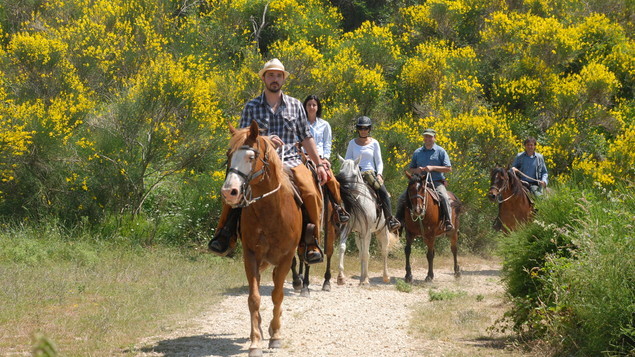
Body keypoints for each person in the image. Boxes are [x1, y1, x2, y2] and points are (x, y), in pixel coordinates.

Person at [209, 58, 328, 264]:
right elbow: (243, 136)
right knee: (233, 189)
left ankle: (311, 242)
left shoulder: (296, 105)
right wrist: (265, 140)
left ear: (283, 79)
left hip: (290, 160)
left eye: (279, 75)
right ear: (264, 78)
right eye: (271, 75)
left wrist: (318, 164)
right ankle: (224, 233)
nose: (275, 79)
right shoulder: (252, 106)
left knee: (310, 191)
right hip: (259, 163)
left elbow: (306, 136)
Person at [344, 116, 401, 232]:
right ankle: (342, 218)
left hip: (370, 174)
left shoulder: (374, 143)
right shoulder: (352, 143)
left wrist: (379, 174)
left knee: (383, 193)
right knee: (342, 192)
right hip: (355, 174)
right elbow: (347, 160)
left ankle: (390, 220)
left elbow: (379, 161)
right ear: (358, 129)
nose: (363, 131)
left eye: (365, 128)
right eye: (361, 128)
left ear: (369, 129)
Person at [303, 94, 350, 224]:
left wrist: (326, 159)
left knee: (333, 181)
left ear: (318, 107)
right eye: (309, 105)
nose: (311, 107)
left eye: (314, 105)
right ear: (305, 107)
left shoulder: (324, 125)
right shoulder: (300, 123)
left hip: (319, 159)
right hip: (304, 157)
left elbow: (327, 143)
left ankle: (338, 208)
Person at [404, 128, 454, 232]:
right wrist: (416, 170)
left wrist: (432, 168)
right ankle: (399, 221)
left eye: (430, 137)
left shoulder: (440, 151)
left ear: (434, 138)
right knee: (403, 197)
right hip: (420, 183)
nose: (428, 139)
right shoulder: (417, 152)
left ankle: (448, 221)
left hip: (436, 182)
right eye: (426, 136)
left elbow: (448, 168)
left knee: (444, 197)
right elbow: (411, 168)